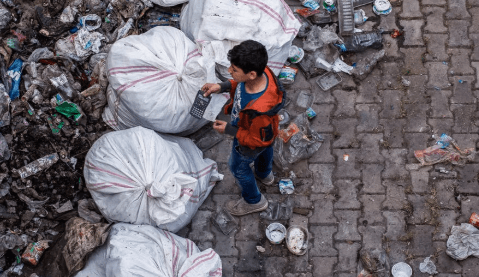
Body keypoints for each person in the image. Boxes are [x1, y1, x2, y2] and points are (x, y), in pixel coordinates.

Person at [201, 40, 286, 216]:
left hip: (250, 139)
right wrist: (222, 86)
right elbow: (239, 86)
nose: (229, 71)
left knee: (237, 167)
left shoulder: (260, 112)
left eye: (234, 70)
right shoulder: (264, 74)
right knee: (265, 150)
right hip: (262, 136)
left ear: (252, 74)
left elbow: (256, 140)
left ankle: (254, 201)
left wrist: (230, 130)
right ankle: (264, 175)